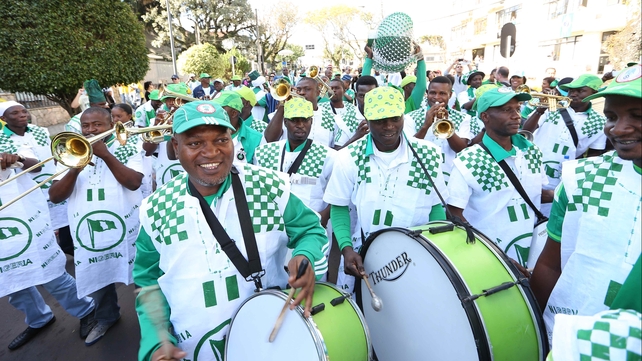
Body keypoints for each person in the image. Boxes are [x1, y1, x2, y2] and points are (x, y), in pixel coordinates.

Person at [132, 100, 329, 361]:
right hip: (195, 349)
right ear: (175, 147)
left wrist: (304, 256)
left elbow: (310, 230)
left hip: (273, 340)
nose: (211, 152)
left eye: (221, 140)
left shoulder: (268, 186)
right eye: (194, 143)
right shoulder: (155, 208)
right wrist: (156, 340)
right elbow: (148, 281)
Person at [530, 64, 642, 342]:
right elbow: (549, 264)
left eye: (637, 115)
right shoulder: (580, 178)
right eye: (612, 116)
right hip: (574, 339)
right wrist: (534, 329)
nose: (619, 128)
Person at [324, 87, 448, 293]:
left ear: (403, 117)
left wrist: (438, 247)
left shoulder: (428, 154)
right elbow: (338, 206)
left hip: (418, 254)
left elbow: (434, 206)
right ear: (367, 119)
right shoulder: (348, 157)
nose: (389, 126)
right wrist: (346, 248)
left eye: (394, 119)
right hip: (365, 254)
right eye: (380, 121)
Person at [48, 106, 144, 346]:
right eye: (86, 126)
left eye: (97, 125)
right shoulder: (69, 151)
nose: (90, 130)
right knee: (99, 280)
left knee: (142, 276)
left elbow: (134, 182)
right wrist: (75, 167)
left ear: (111, 123)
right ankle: (106, 318)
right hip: (89, 232)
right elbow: (55, 196)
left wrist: (105, 154)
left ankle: (154, 321)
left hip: (129, 229)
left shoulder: (127, 145)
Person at [0, 150, 97, 351]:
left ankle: (86, 310)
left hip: (23, 222)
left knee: (51, 276)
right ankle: (39, 319)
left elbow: (37, 165)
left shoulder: (8, 141)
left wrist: (16, 159)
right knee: (13, 283)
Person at [447, 88, 553, 267]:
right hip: (489, 258)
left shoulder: (531, 151)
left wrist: (563, 196)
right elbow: (453, 213)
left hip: (533, 250)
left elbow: (534, 192)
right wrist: (494, 254)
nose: (516, 116)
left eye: (517, 109)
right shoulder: (469, 160)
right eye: (506, 110)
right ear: (485, 117)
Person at [254, 97, 335, 250]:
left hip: (310, 230)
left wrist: (323, 216)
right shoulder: (264, 153)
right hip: (273, 229)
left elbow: (337, 194)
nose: (300, 125)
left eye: (305, 120)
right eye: (294, 120)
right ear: (285, 122)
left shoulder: (328, 156)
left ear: (312, 122)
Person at [523, 74, 607, 216]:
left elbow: (594, 155)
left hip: (560, 178)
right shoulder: (553, 108)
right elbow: (526, 131)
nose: (573, 94)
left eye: (580, 91)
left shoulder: (600, 122)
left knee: (547, 217)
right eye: (570, 90)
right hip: (531, 168)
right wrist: (539, 110)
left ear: (594, 94)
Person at [0, 101, 73, 254]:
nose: (22, 115)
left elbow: (51, 153)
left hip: (52, 182)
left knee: (64, 221)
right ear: (3, 118)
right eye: (15, 113)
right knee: (41, 224)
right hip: (28, 190)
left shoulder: (40, 131)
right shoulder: (1, 139)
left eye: (23, 111)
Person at [404, 76, 472, 182]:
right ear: (427, 94)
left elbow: (461, 149)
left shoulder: (463, 118)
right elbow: (408, 149)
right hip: (419, 174)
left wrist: (446, 125)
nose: (437, 97)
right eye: (432, 93)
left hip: (450, 175)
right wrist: (425, 126)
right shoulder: (410, 117)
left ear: (450, 95)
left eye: (442, 93)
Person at [264, 77, 337, 148]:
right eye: (298, 89)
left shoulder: (330, 117)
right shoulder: (286, 111)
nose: (301, 93)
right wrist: (283, 105)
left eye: (307, 89)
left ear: (318, 92)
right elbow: (269, 139)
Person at [362, 44, 426, 114]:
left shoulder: (410, 104)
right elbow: (364, 86)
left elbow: (421, 86)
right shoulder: (379, 105)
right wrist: (369, 56)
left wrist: (420, 57)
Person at [211, 92, 263, 164]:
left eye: (219, 109)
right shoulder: (206, 134)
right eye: (212, 107)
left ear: (234, 113)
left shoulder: (256, 139)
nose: (213, 112)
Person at [322, 78, 366, 149]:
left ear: (344, 91)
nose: (333, 90)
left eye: (337, 88)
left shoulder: (352, 109)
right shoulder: (322, 108)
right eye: (331, 88)